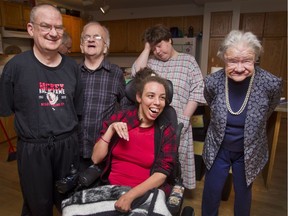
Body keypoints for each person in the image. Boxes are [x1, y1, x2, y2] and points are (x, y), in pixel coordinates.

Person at [0, 4, 83, 216]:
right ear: (31, 29)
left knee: (70, 204)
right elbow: (5, 108)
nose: (53, 33)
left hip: (68, 148)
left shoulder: (73, 68)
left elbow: (77, 109)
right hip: (33, 150)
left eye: (58, 27)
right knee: (37, 207)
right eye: (46, 26)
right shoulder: (15, 67)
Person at [61, 68, 177, 215]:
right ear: (139, 97)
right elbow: (96, 158)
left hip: (145, 192)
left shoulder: (166, 130)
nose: (157, 102)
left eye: (162, 98)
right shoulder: (120, 118)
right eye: (151, 96)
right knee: (70, 211)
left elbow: (162, 173)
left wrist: (130, 195)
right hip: (111, 189)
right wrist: (110, 130)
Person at [201, 30, 282, 216]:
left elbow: (268, 109)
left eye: (246, 60)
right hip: (218, 148)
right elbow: (210, 102)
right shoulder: (212, 81)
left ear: (256, 58)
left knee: (243, 194)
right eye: (232, 61)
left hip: (249, 150)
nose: (239, 68)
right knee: (211, 193)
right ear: (223, 59)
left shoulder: (270, 83)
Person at [131, 24, 205, 190]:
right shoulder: (151, 63)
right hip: (154, 123)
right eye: (153, 47)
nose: (157, 51)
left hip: (179, 122)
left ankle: (174, 196)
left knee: (176, 166)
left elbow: (197, 91)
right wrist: (146, 48)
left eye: (160, 45)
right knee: (155, 162)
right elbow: (136, 74)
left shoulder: (188, 61)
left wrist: (185, 118)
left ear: (170, 40)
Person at [78, 21, 126, 171]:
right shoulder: (72, 72)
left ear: (105, 47)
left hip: (105, 148)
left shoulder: (116, 73)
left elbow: (125, 106)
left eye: (97, 37)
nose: (91, 39)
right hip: (75, 149)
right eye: (87, 37)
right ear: (81, 46)